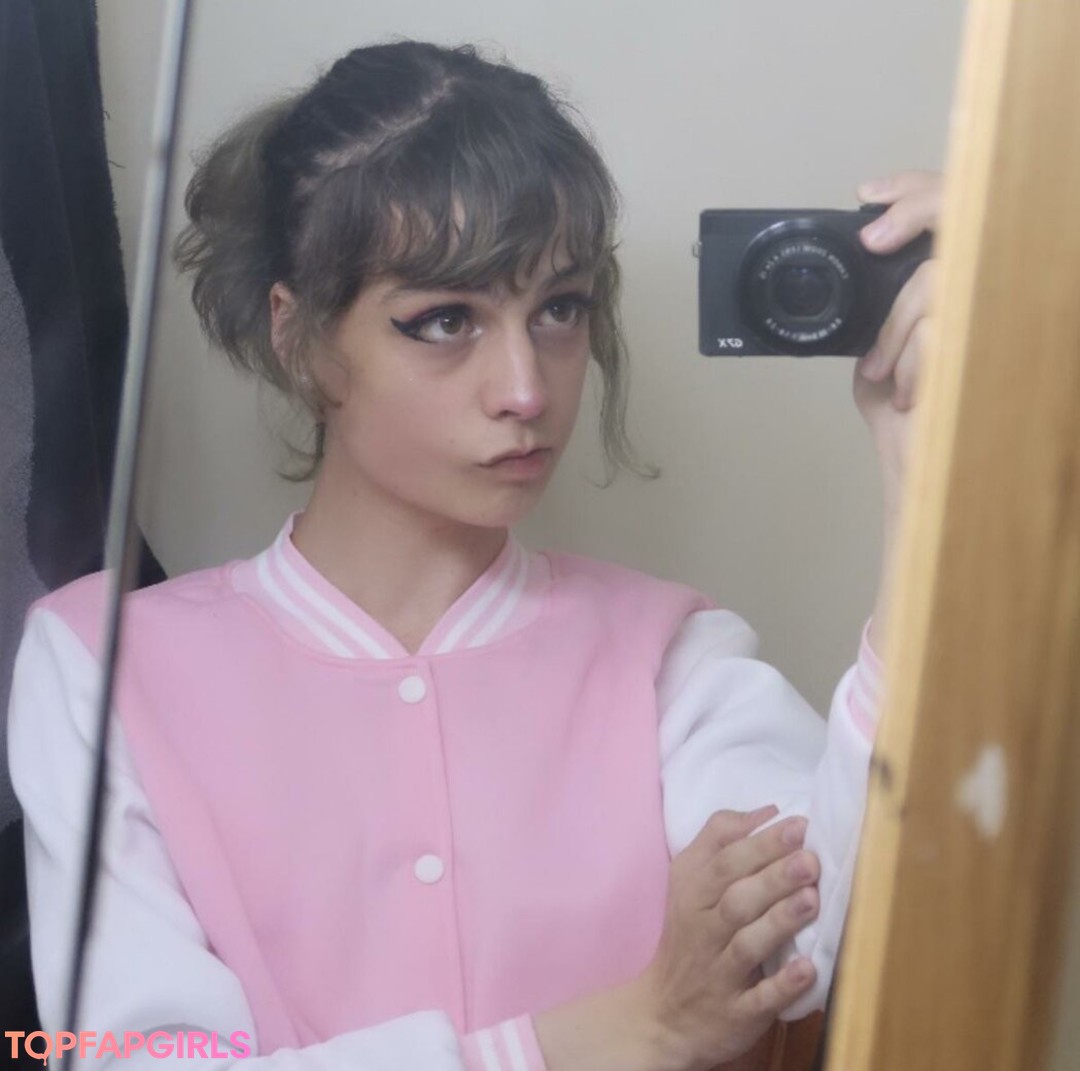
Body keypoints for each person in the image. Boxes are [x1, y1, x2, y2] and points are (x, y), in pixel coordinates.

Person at [7, 39, 942, 1071]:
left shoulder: (672, 659)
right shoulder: (100, 668)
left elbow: (843, 933)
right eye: (445, 320)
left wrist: (927, 481)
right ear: (298, 335)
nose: (527, 388)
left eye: (559, 309)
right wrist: (613, 1032)